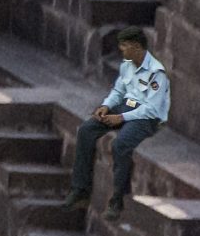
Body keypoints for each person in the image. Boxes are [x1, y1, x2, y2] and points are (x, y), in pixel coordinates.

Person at [66, 27, 172, 222]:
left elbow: (152, 109)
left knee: (120, 145)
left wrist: (121, 118)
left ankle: (118, 198)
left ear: (137, 47)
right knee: (87, 130)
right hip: (127, 107)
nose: (122, 50)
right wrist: (106, 106)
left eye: (125, 46)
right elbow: (118, 90)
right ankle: (80, 189)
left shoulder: (156, 74)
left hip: (145, 117)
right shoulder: (127, 66)